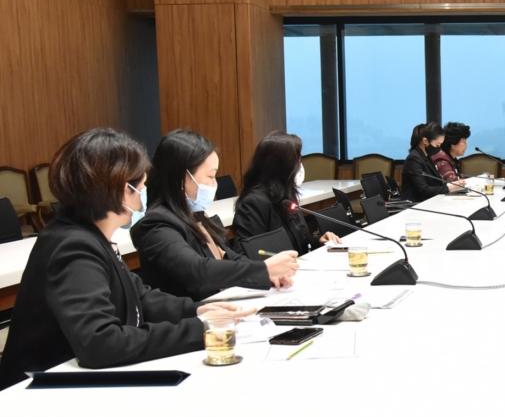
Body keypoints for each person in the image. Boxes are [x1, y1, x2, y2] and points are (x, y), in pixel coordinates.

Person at [0, 128, 250, 390]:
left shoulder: (87, 233)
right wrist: (201, 329)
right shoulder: (73, 247)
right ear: (119, 189)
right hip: (41, 390)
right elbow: (101, 343)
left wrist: (198, 311)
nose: (143, 196)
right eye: (139, 187)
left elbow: (138, 295)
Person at [131, 129, 299, 300]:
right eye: (210, 176)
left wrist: (267, 276)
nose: (214, 184)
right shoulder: (156, 225)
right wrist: (264, 269)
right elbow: (197, 271)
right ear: (182, 179)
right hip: (193, 312)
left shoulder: (196, 216)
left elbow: (229, 258)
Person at [232, 131, 341, 256]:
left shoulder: (287, 195)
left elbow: (300, 243)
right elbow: (247, 255)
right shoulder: (253, 203)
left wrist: (319, 242)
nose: (300, 165)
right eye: (297, 160)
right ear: (282, 166)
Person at [401, 122, 465, 202]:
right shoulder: (414, 159)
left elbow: (436, 183)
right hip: (416, 204)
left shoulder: (427, 157)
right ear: (425, 141)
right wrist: (450, 188)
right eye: (437, 145)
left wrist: (454, 185)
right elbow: (423, 190)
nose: (439, 149)